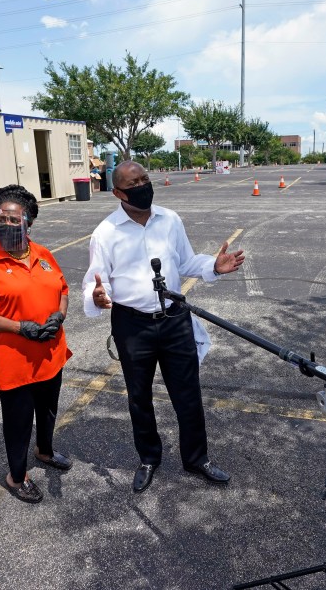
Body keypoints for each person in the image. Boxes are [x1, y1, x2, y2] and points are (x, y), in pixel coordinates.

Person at [82, 160, 244, 494]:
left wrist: (213, 265)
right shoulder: (105, 233)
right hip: (132, 325)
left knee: (188, 393)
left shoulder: (169, 220)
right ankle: (148, 458)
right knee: (139, 397)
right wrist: (97, 296)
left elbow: (184, 262)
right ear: (117, 192)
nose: (142, 186)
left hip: (174, 318)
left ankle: (197, 459)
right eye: (133, 183)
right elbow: (97, 280)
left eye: (145, 179)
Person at [0, 185, 73, 503]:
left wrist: (59, 316)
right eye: (2, 218)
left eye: (15, 219)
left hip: (50, 352)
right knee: (18, 420)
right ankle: (17, 475)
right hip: (14, 359)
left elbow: (63, 289)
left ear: (30, 222)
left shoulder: (43, 254)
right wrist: (20, 327)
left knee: (49, 410)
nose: (7, 225)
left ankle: (45, 450)